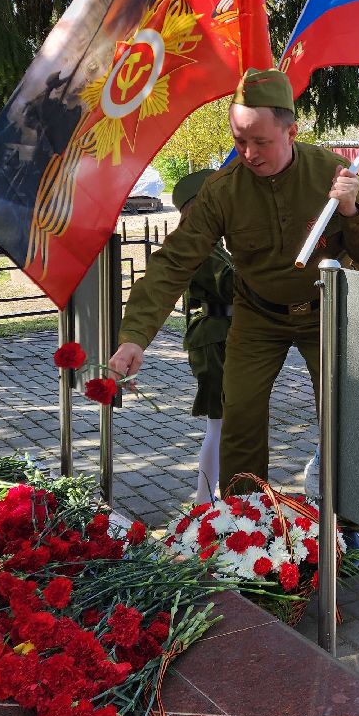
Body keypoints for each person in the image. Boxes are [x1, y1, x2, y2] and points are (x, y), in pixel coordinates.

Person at [111, 68, 359, 495]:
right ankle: (244, 525)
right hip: (258, 317)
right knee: (239, 417)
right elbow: (174, 261)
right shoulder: (223, 191)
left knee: (342, 417)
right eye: (240, 140)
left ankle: (347, 518)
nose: (248, 152)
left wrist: (351, 211)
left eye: (260, 141)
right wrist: (134, 336)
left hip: (326, 314)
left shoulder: (332, 173)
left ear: (291, 131)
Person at [121, 167, 233, 504]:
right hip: (214, 340)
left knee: (224, 424)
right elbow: (230, 285)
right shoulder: (200, 248)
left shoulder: (213, 245)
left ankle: (209, 497)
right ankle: (204, 498)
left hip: (219, 337)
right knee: (220, 423)